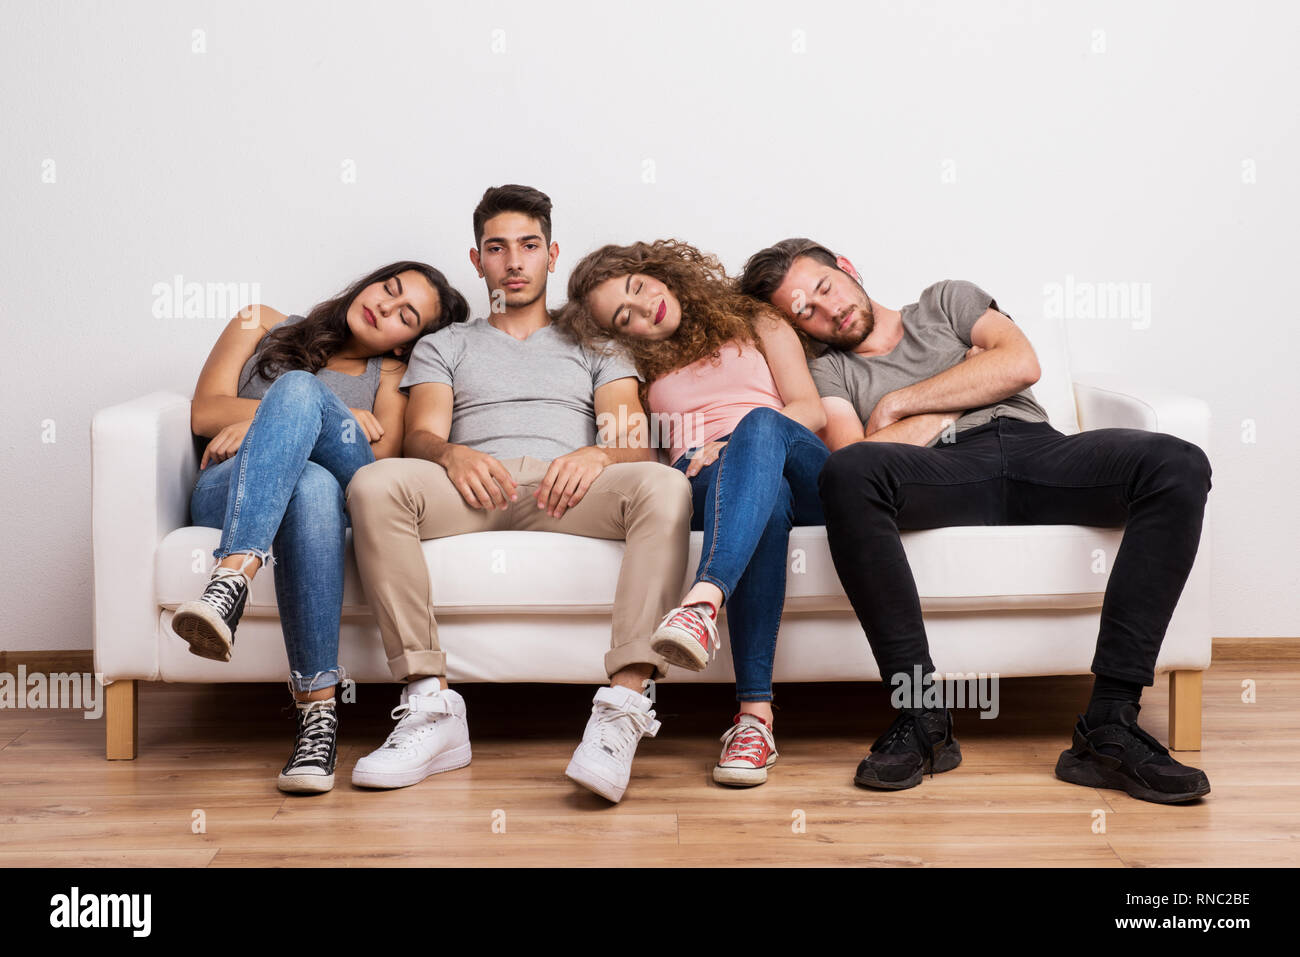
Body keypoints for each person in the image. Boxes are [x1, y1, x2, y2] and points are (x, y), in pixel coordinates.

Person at [738, 238, 1213, 805]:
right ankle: (922, 718)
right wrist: (951, 397)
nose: (825, 309)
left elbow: (1020, 364)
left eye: (823, 288)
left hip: (1041, 453)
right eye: (804, 312)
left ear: (847, 269)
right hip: (944, 474)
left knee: (1178, 462)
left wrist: (901, 404)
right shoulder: (832, 370)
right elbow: (853, 455)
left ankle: (1109, 725)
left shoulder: (946, 301)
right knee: (848, 474)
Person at [344, 186, 693, 804]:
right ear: (476, 261)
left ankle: (621, 711)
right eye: (497, 248)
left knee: (664, 485)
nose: (513, 261)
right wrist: (449, 453)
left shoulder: (598, 343)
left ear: (552, 254)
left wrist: (597, 453)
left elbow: (632, 442)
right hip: (474, 485)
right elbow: (421, 434)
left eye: (528, 246)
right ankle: (431, 707)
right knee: (374, 482)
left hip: (568, 489)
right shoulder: (444, 343)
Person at [178, 261, 468, 793]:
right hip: (229, 489)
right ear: (371, 281)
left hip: (333, 493)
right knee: (300, 415)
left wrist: (308, 413)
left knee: (313, 481)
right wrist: (297, 414)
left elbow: (377, 469)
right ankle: (317, 718)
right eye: (390, 288)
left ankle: (232, 583)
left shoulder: (392, 377)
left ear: (408, 343)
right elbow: (203, 413)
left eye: (406, 315)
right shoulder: (257, 322)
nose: (385, 307)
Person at [561, 239, 828, 787]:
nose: (643, 309)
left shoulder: (754, 320)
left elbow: (809, 409)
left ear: (656, 271)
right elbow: (641, 448)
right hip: (712, 485)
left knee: (758, 426)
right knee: (767, 504)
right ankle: (755, 722)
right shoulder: (636, 366)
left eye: (638, 289)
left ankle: (701, 603)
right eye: (624, 317)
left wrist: (741, 438)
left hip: (789, 453)